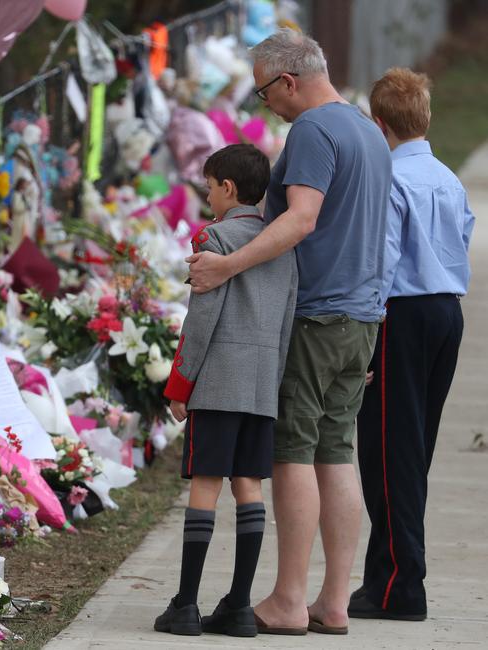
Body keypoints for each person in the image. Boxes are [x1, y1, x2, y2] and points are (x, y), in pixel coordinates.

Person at [186, 28, 392, 635]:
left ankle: (288, 599)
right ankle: (333, 600)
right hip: (360, 317)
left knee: (294, 453)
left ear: (288, 81)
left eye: (263, 93)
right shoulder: (366, 131)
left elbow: (301, 220)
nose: (265, 105)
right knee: (338, 452)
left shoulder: (312, 132)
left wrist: (226, 265)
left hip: (316, 313)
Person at [154, 143, 297, 637]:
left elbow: (201, 320)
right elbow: (285, 325)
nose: (207, 196)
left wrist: (180, 384)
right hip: (260, 386)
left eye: (210, 187)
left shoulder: (214, 238)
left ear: (228, 189)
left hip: (216, 384)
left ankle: (186, 604)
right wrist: (272, 384)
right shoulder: (282, 244)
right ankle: (238, 604)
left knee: (206, 485)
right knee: (248, 487)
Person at [349, 67, 474, 621]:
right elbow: (462, 236)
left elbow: (381, 260)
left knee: (386, 453)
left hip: (398, 315)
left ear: (379, 126)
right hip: (447, 311)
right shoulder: (447, 177)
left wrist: (364, 330)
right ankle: (384, 574)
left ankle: (403, 586)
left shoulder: (389, 180)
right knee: (412, 450)